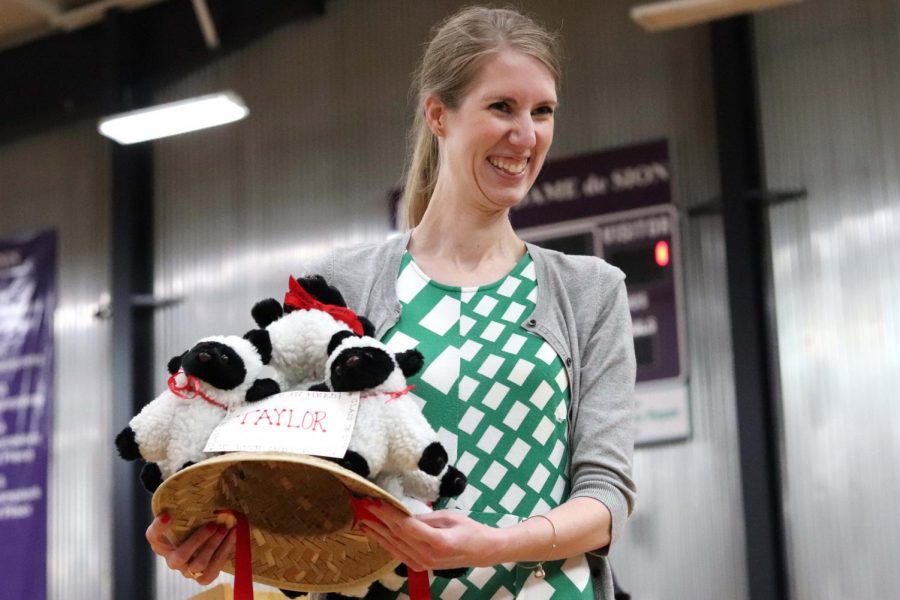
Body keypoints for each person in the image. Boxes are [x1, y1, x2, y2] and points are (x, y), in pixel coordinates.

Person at [146, 6, 636, 599]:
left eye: (543, 112)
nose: (526, 136)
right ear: (438, 114)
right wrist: (207, 524)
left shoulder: (590, 291)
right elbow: (289, 470)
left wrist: (492, 543)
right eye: (501, 107)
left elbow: (605, 496)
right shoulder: (339, 282)